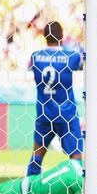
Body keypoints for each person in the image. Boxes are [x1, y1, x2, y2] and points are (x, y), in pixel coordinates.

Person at [28, 21, 83, 176]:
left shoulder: (35, 57)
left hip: (45, 114)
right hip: (67, 115)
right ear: (62, 37)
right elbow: (81, 61)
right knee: (76, 158)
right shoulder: (71, 56)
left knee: (36, 157)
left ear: (44, 36)